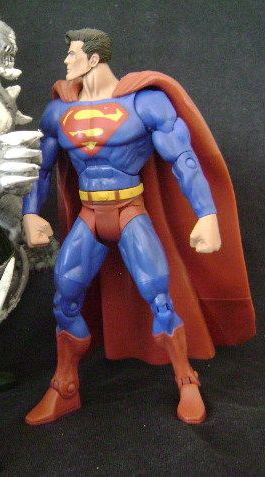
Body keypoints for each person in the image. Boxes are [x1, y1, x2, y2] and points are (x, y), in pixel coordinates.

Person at [22, 28, 255, 426]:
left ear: (93, 58)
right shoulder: (59, 111)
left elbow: (183, 159)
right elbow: (41, 170)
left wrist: (207, 214)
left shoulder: (145, 103)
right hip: (90, 214)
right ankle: (65, 387)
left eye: (73, 54)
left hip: (130, 211)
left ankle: (186, 379)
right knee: (65, 298)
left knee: (159, 297)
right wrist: (31, 212)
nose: (66, 61)